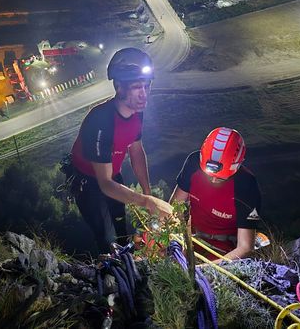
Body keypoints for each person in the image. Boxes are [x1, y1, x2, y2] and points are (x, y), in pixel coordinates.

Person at [69, 47, 173, 253]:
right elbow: (105, 184)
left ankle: (129, 265)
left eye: (147, 86)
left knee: (122, 231)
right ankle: (113, 273)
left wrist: (147, 192)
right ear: (119, 87)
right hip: (90, 184)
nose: (144, 94)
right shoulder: (100, 121)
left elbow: (136, 151)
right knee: (108, 240)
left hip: (112, 176)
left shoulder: (137, 112)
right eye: (137, 87)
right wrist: (147, 202)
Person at [170, 127, 262, 262]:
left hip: (225, 250)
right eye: (209, 175)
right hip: (191, 239)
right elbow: (174, 208)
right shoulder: (193, 163)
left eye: (220, 178)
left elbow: (245, 246)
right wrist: (180, 243)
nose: (213, 180)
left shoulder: (246, 184)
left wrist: (209, 269)